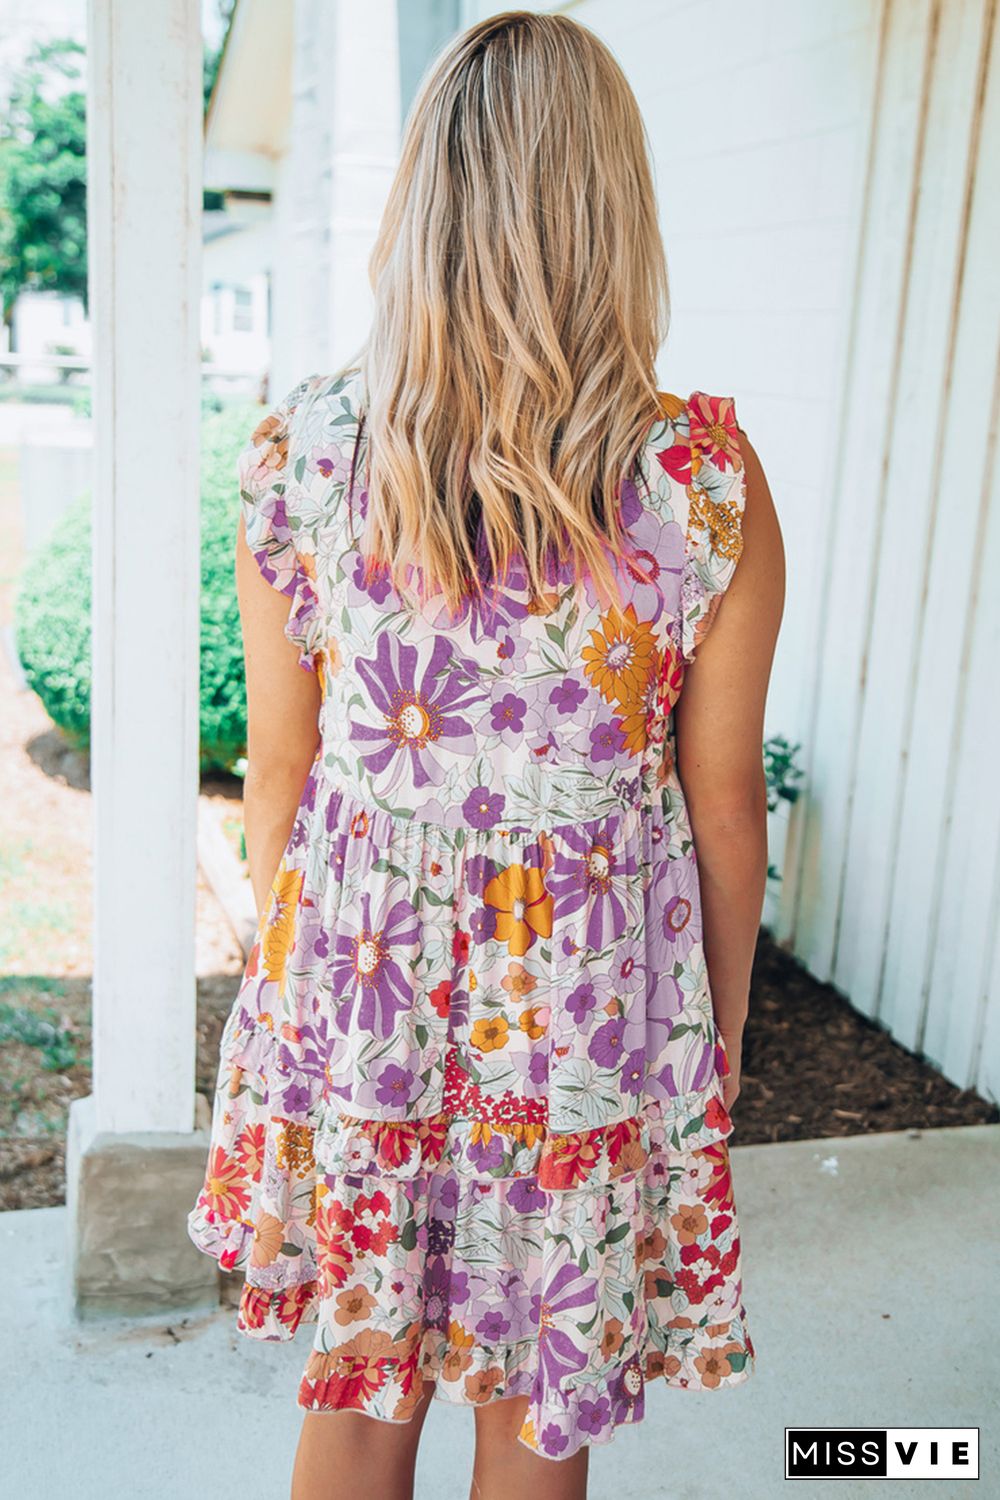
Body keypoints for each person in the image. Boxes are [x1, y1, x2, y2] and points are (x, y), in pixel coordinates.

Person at [188, 10, 784, 1499]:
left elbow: (282, 775)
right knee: (534, 1408)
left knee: (359, 1384)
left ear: (422, 204)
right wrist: (713, 1040)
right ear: (615, 213)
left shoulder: (307, 454)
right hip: (584, 1019)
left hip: (362, 990)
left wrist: (303, 996)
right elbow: (724, 806)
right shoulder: (698, 483)